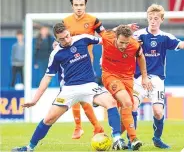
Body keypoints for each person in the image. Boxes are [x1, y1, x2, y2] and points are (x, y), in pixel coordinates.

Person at [12, 23, 127, 152]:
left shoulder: (83, 38)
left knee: (111, 102)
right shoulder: (56, 54)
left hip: (89, 86)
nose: (66, 40)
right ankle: (29, 148)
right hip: (69, 90)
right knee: (49, 119)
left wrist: (119, 31)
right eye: (62, 39)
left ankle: (117, 139)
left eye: (67, 36)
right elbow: (47, 78)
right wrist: (35, 100)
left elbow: (105, 39)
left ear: (69, 32)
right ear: (56, 39)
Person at [131, 4, 184, 149]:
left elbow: (181, 45)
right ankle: (132, 140)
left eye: (156, 18)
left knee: (158, 112)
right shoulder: (138, 35)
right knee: (132, 106)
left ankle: (157, 138)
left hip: (157, 79)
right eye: (150, 18)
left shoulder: (165, 37)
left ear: (161, 20)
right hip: (139, 78)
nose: (153, 21)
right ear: (147, 18)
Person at [100, 25, 153, 150]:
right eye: (121, 42)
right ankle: (133, 139)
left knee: (129, 107)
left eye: (126, 43)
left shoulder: (134, 45)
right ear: (116, 37)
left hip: (128, 78)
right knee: (127, 102)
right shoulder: (107, 38)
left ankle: (116, 137)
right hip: (110, 75)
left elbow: (141, 56)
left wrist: (144, 77)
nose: (124, 46)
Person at [61, 0, 106, 139]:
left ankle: (81, 127)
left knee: (80, 94)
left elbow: (106, 38)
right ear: (72, 6)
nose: (79, 8)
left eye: (81, 5)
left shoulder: (93, 20)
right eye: (76, 5)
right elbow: (60, 41)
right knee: (77, 94)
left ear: (85, 5)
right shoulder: (65, 22)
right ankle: (93, 127)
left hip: (86, 63)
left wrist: (103, 56)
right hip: (69, 64)